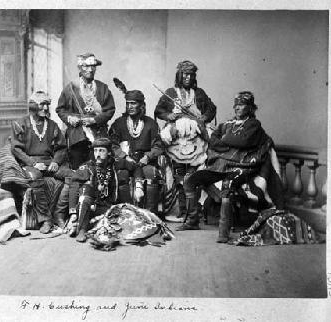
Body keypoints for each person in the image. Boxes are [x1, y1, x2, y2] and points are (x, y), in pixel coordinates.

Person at [181, 91, 284, 242]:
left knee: (227, 184)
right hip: (220, 166)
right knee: (191, 179)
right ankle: (192, 221)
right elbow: (213, 141)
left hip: (243, 167)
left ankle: (223, 233)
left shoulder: (254, 125)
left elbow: (244, 142)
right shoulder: (226, 124)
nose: (237, 108)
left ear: (250, 108)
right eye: (236, 104)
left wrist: (225, 141)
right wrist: (230, 142)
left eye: (241, 105)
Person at [154, 60, 217, 223]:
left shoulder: (199, 93)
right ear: (179, 75)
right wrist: (169, 116)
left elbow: (212, 109)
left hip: (196, 140)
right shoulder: (170, 92)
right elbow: (158, 110)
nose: (188, 77)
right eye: (185, 74)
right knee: (178, 175)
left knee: (195, 174)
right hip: (176, 140)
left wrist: (204, 117)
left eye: (191, 74)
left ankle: (194, 211)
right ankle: (180, 210)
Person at [11, 91, 69, 233]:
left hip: (50, 163)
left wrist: (56, 161)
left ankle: (59, 214)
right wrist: (33, 163)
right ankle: (46, 219)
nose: (45, 108)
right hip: (30, 164)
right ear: (32, 106)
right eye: (42, 104)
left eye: (47, 105)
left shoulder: (53, 125)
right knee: (34, 177)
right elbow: (16, 149)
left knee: (73, 176)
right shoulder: (20, 124)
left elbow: (61, 148)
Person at [68, 137, 138, 243]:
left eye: (101, 150)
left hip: (109, 207)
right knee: (85, 190)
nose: (98, 154)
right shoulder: (88, 167)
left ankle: (85, 225)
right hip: (91, 207)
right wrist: (72, 211)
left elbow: (136, 167)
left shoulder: (117, 164)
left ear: (109, 152)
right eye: (96, 150)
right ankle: (81, 230)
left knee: (123, 223)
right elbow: (74, 184)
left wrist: (139, 186)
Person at [109, 87, 164, 215]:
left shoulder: (151, 124)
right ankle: (126, 213)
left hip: (145, 162)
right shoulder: (119, 123)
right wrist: (123, 156)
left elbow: (158, 145)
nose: (130, 106)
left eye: (133, 103)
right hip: (125, 161)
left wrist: (148, 157)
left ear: (141, 105)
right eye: (128, 103)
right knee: (121, 174)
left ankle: (151, 215)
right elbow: (112, 143)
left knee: (150, 174)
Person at [56, 53, 116, 170]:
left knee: (99, 168)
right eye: (86, 66)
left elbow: (110, 110)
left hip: (98, 136)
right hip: (77, 137)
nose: (90, 69)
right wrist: (69, 118)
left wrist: (94, 120)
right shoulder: (70, 88)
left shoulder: (103, 88)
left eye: (93, 66)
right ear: (80, 68)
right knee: (78, 170)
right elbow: (60, 109)